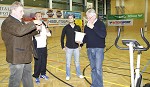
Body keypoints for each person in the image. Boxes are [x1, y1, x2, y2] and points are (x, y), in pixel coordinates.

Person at [1, 1, 42, 87]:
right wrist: (33, 23)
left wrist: (36, 30)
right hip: (17, 57)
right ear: (13, 10)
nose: (23, 13)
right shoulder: (7, 22)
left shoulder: (20, 22)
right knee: (15, 81)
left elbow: (26, 33)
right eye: (21, 11)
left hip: (26, 55)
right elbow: (20, 31)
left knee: (27, 78)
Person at [83, 9, 107, 87]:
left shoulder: (100, 24)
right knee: (93, 68)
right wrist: (80, 42)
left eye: (89, 17)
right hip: (89, 49)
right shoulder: (86, 26)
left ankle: (100, 85)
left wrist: (93, 27)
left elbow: (103, 35)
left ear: (94, 16)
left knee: (98, 69)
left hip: (99, 49)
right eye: (87, 17)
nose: (87, 18)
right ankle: (94, 84)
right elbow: (86, 38)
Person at [60, 14, 84, 80]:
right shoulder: (65, 28)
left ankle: (79, 74)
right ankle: (68, 75)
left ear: (74, 19)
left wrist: (81, 46)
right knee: (68, 63)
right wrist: (63, 47)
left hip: (76, 48)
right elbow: (62, 37)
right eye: (69, 18)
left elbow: (81, 37)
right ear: (68, 19)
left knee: (77, 62)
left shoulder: (78, 27)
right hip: (68, 48)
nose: (70, 19)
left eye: (71, 18)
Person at [32, 12, 51, 84]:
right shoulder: (33, 25)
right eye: (38, 16)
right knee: (38, 62)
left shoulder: (44, 24)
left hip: (44, 46)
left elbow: (48, 35)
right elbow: (32, 36)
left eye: (41, 16)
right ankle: (36, 75)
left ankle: (43, 74)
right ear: (35, 17)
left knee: (44, 61)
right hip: (37, 47)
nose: (40, 17)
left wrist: (47, 30)